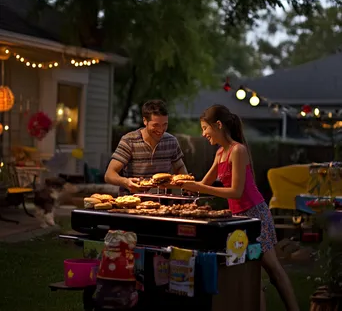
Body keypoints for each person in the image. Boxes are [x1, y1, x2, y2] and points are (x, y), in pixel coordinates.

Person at [178, 104, 299, 311]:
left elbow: (236, 191)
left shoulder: (237, 150)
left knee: (272, 269)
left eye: (205, 128)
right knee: (249, 271)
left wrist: (197, 186)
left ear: (218, 125)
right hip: (237, 218)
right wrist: (179, 184)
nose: (203, 133)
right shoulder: (219, 154)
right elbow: (203, 186)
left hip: (255, 214)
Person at [105, 99, 188, 195]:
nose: (161, 130)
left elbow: (180, 167)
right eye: (156, 125)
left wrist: (186, 185)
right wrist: (126, 182)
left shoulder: (171, 141)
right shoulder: (129, 141)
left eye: (165, 124)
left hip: (162, 202)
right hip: (133, 201)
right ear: (145, 121)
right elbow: (109, 174)